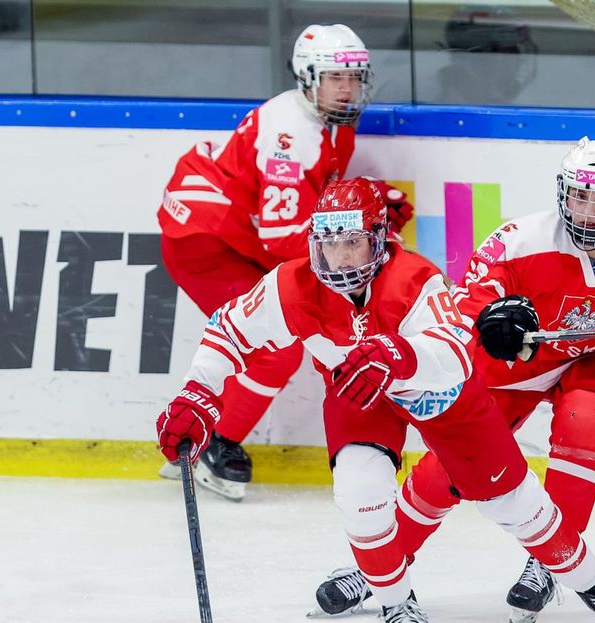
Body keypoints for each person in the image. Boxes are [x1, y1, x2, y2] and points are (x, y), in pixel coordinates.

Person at [155, 178, 595, 623]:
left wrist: (399, 354)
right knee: (359, 496)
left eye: (354, 243)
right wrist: (198, 395)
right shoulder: (290, 285)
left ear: (379, 240)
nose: (341, 257)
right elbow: (228, 333)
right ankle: (398, 604)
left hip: (439, 396)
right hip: (360, 394)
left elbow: (457, 353)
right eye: (330, 244)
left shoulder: (414, 278)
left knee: (518, 506)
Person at [313, 137, 595, 623]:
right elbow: (464, 310)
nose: (592, 211)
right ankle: (382, 567)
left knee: (587, 419)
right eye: (582, 196)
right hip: (519, 364)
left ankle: (551, 559)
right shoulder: (519, 240)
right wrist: (492, 323)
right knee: (449, 468)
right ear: (563, 194)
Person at [155, 24, 413, 500]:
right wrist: (365, 253)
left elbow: (305, 206)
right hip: (206, 241)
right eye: (336, 78)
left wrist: (366, 204)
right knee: (275, 346)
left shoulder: (327, 119)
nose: (348, 88)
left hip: (233, 233)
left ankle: (198, 443)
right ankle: (211, 445)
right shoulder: (292, 138)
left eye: (355, 78)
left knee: (277, 341)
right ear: (307, 77)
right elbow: (285, 243)